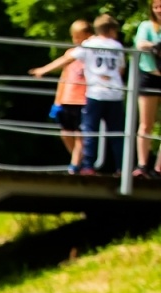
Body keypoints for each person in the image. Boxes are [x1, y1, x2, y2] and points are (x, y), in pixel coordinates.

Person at [33, 15, 126, 175]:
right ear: (112, 30)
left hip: (95, 94)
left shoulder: (90, 45)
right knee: (117, 133)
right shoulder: (117, 45)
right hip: (114, 93)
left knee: (89, 131)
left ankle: (87, 167)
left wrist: (44, 70)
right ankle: (121, 169)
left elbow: (67, 59)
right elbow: (121, 68)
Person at [39, 21, 93, 173]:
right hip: (67, 99)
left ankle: (74, 166)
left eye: (79, 37)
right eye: (74, 37)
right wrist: (57, 101)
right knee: (65, 133)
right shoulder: (70, 54)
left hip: (83, 100)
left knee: (80, 135)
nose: (76, 41)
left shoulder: (91, 54)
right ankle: (78, 161)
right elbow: (64, 77)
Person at [136, 1, 161, 178]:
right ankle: (143, 165)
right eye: (156, 7)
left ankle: (159, 167)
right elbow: (140, 44)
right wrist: (155, 47)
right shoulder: (146, 26)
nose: (159, 10)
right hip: (149, 76)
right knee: (146, 124)